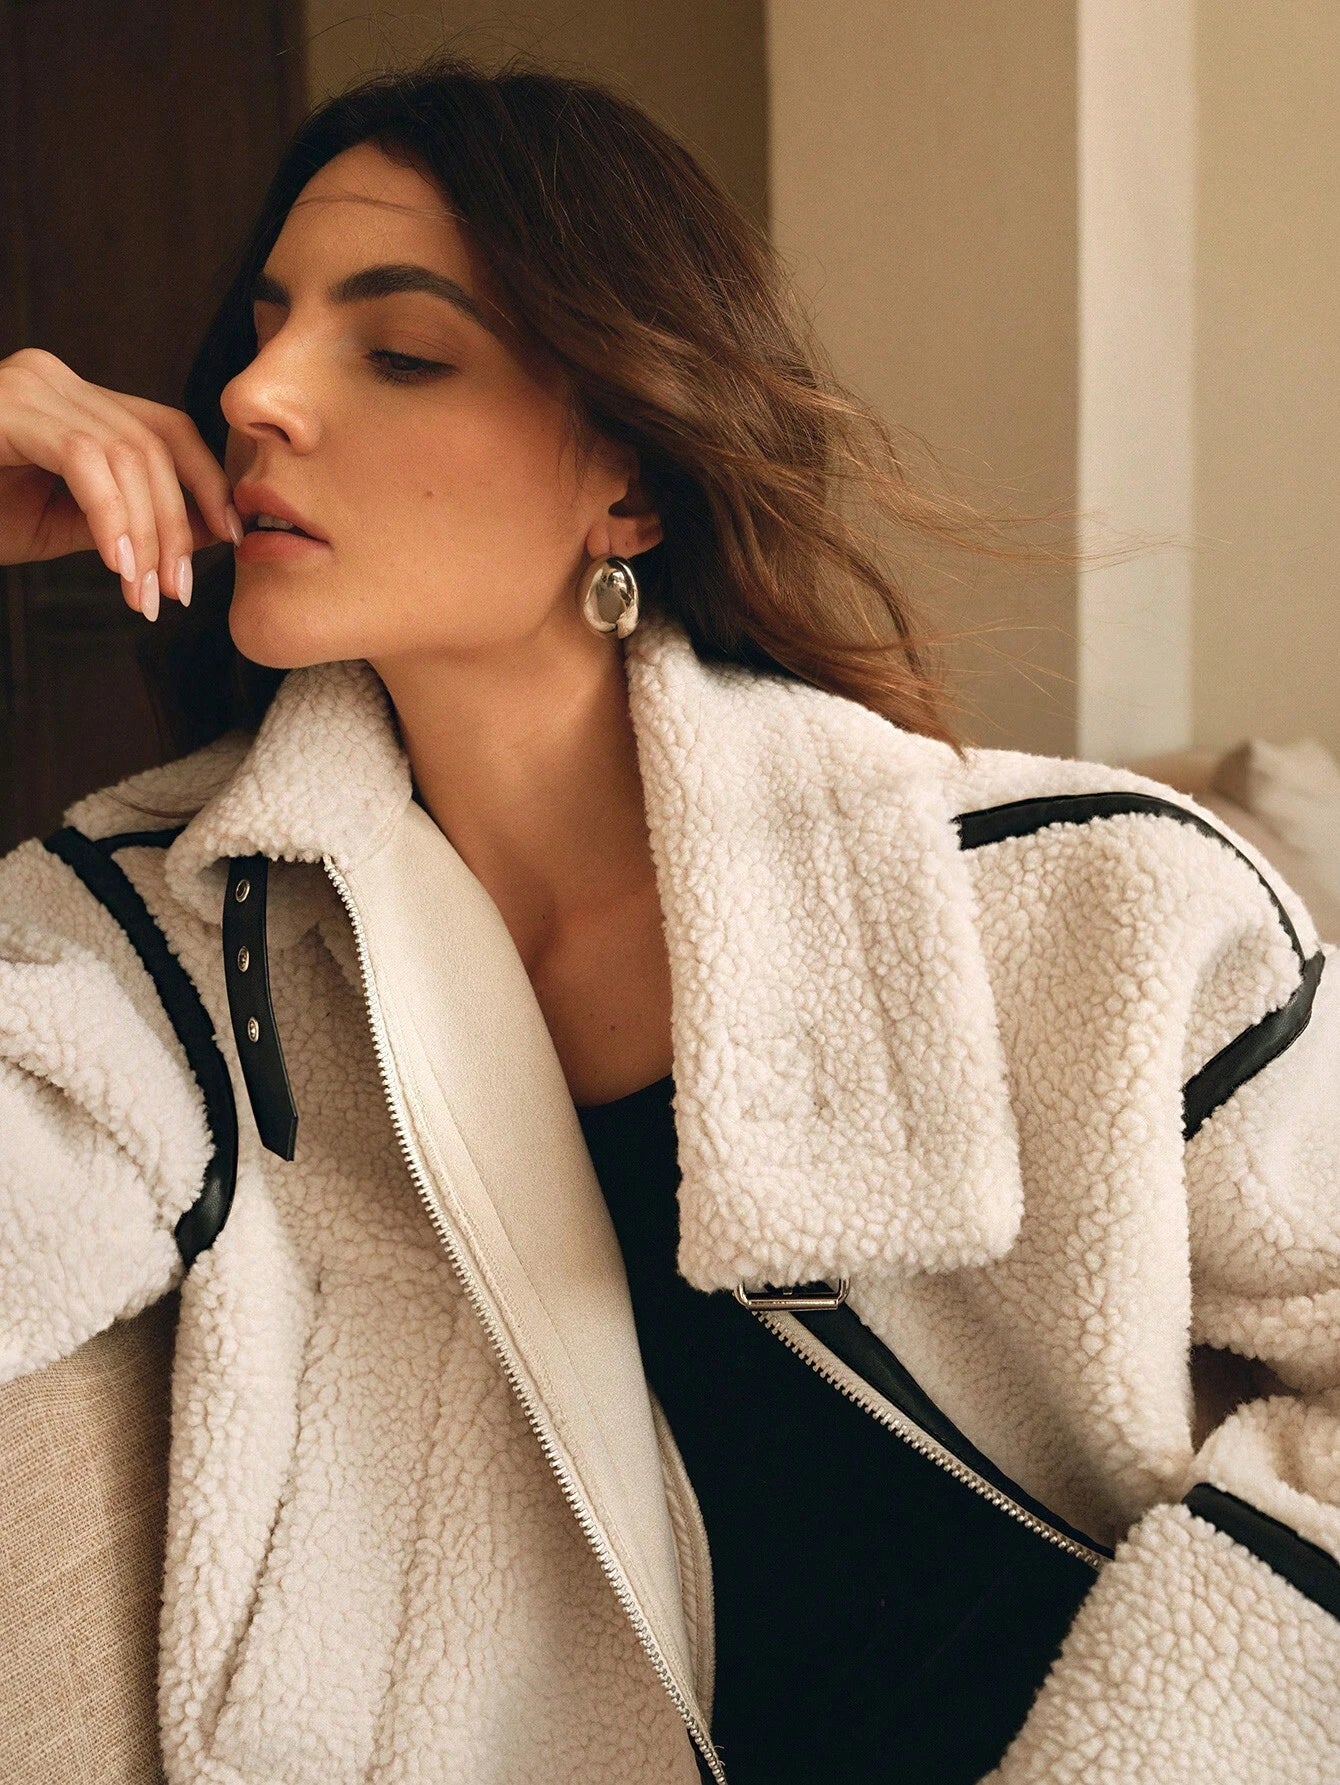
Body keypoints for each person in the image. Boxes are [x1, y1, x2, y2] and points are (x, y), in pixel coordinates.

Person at [1, 48, 1337, 1785]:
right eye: (263, 328)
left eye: (399, 350)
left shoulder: (1095, 909)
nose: (255, 391)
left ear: (625, 486)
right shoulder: (166, 946)